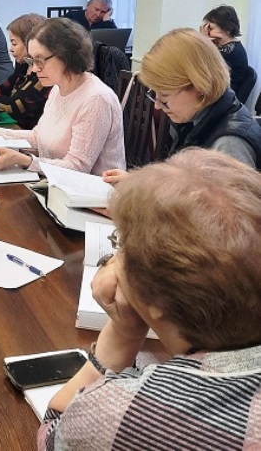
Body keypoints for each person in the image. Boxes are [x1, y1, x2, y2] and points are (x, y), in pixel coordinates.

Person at [39, 148, 261, 450]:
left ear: (159, 301)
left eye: (121, 245)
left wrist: (123, 332)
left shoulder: (122, 413)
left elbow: (53, 435)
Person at [0, 17, 125, 175]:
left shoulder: (96, 99)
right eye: (32, 61)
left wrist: (26, 161)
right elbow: (38, 137)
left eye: (40, 61)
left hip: (90, 187)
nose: (35, 69)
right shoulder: (57, 87)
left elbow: (78, 167)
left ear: (66, 55)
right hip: (57, 181)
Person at [103, 28, 261, 185]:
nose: (157, 105)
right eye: (154, 93)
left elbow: (218, 202)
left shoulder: (229, 145)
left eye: (165, 95)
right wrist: (139, 183)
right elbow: (185, 185)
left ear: (200, 86)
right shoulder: (195, 117)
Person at [200, 5, 250, 99]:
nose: (207, 32)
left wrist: (204, 41)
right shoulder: (224, 47)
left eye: (210, 29)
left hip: (222, 98)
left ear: (228, 29)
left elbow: (203, 69)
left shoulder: (231, 51)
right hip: (217, 93)